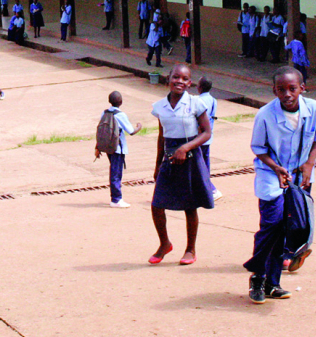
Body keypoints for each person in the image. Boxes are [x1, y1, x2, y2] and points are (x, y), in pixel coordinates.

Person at [245, 66, 316, 304]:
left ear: (302, 88)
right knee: (271, 225)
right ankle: (258, 277)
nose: (287, 94)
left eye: (292, 88)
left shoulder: (314, 109)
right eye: (281, 89)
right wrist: (276, 168)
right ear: (274, 91)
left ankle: (274, 283)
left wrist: (309, 164)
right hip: (271, 174)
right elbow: (259, 149)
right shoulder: (264, 115)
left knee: (290, 228)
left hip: (300, 177)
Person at [148, 64, 214, 266]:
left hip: (190, 158)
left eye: (185, 79)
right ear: (168, 79)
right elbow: (161, 136)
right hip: (169, 158)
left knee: (190, 205)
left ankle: (190, 249)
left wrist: (185, 148)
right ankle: (164, 243)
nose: (180, 81)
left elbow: (206, 132)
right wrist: (158, 164)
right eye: (176, 77)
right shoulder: (160, 107)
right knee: (157, 205)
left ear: (190, 83)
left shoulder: (195, 104)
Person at [94, 90, 142, 208]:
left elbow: (101, 131)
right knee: (116, 173)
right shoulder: (120, 115)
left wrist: (98, 147)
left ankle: (116, 197)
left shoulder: (104, 113)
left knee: (115, 171)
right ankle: (116, 199)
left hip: (108, 147)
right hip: (118, 148)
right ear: (121, 102)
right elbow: (131, 131)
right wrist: (139, 126)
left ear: (109, 101)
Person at [196, 77, 223, 200]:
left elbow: (201, 120)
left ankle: (212, 189)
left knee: (198, 165)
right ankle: (206, 190)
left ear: (200, 87)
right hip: (208, 137)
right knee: (204, 165)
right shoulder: (213, 100)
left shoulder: (199, 101)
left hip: (200, 138)